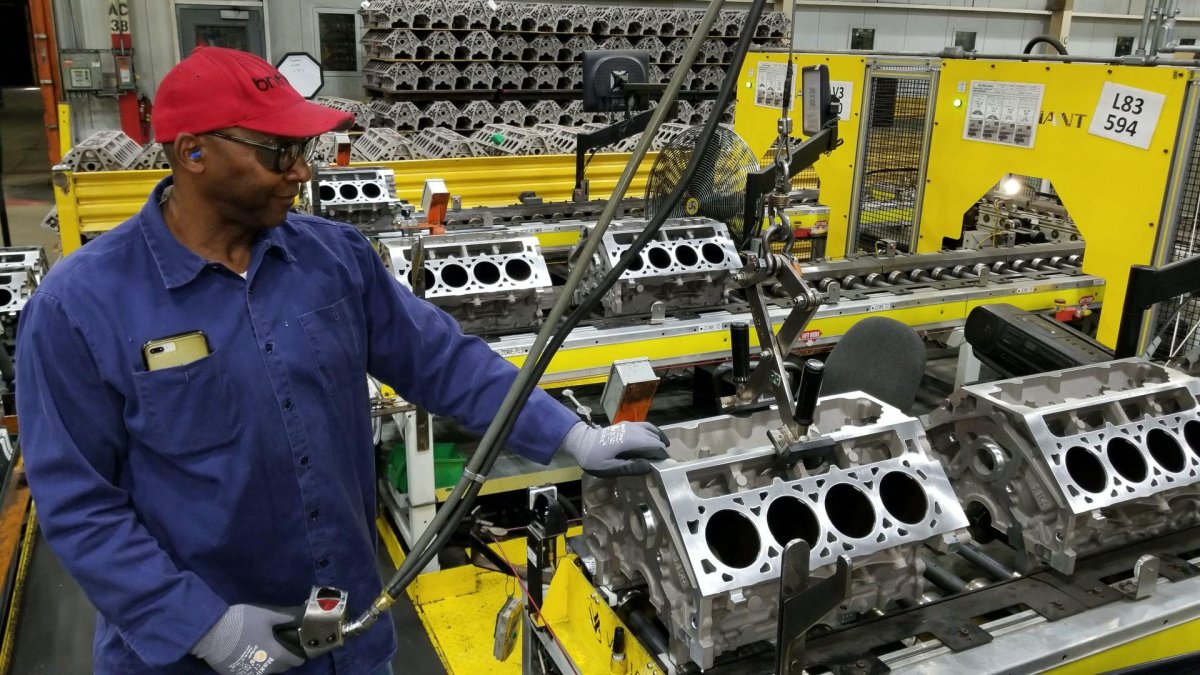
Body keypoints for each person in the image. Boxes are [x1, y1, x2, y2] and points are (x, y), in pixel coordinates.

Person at [16, 47, 669, 675]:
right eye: (279, 152)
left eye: (304, 149)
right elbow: (78, 503)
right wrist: (202, 627)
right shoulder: (82, 307)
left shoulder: (333, 259)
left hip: (345, 638)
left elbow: (444, 361)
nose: (302, 172)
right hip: (190, 658)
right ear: (193, 153)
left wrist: (571, 435)